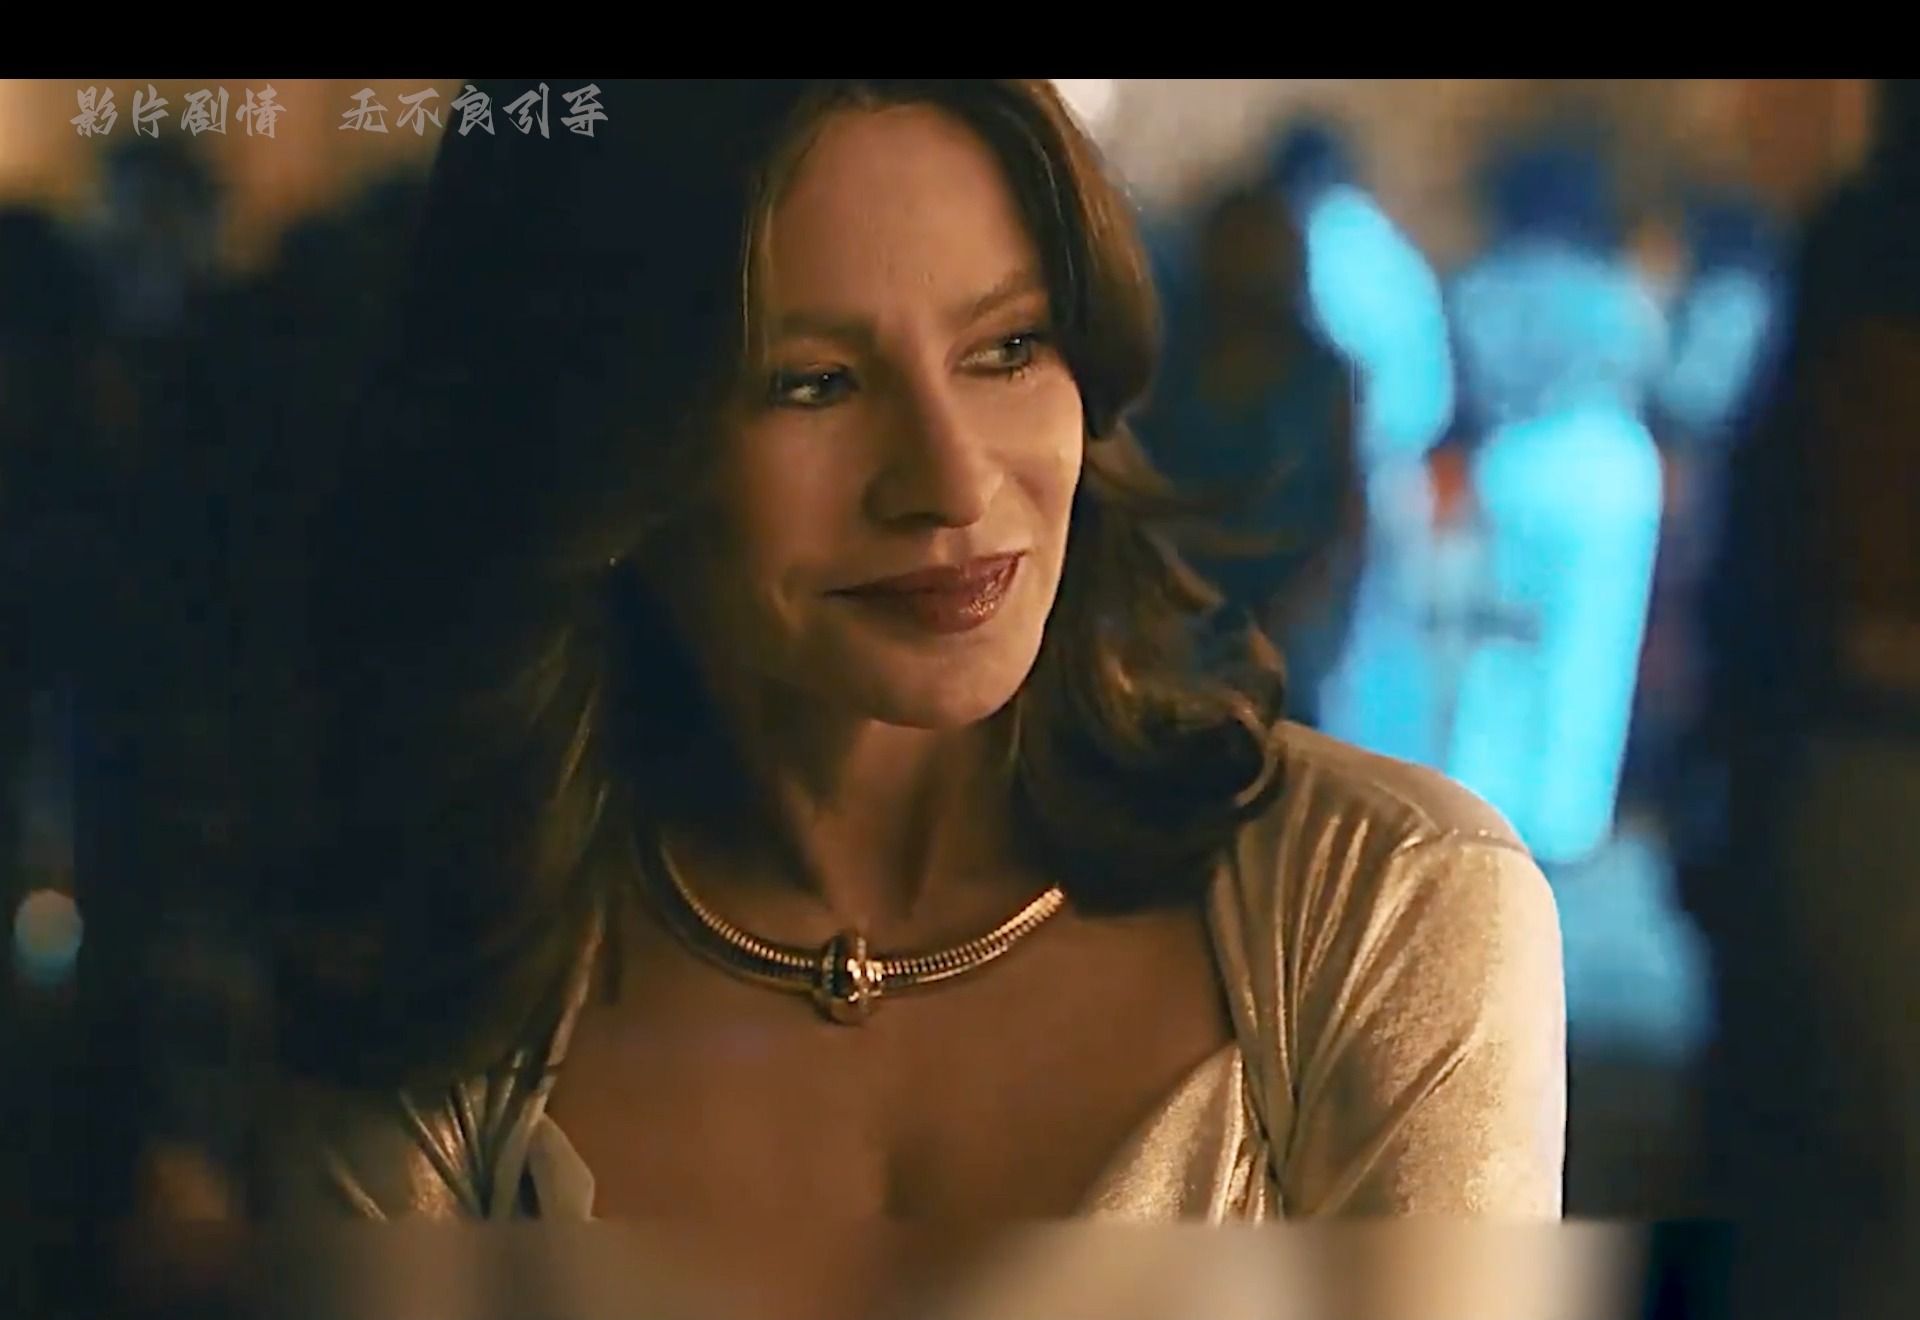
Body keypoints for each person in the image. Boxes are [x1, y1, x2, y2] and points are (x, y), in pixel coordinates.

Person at [244, 80, 1564, 1237]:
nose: (951, 482)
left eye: (1007, 349)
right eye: (812, 382)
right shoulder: (452, 972)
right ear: (601, 439)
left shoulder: (1383, 912)